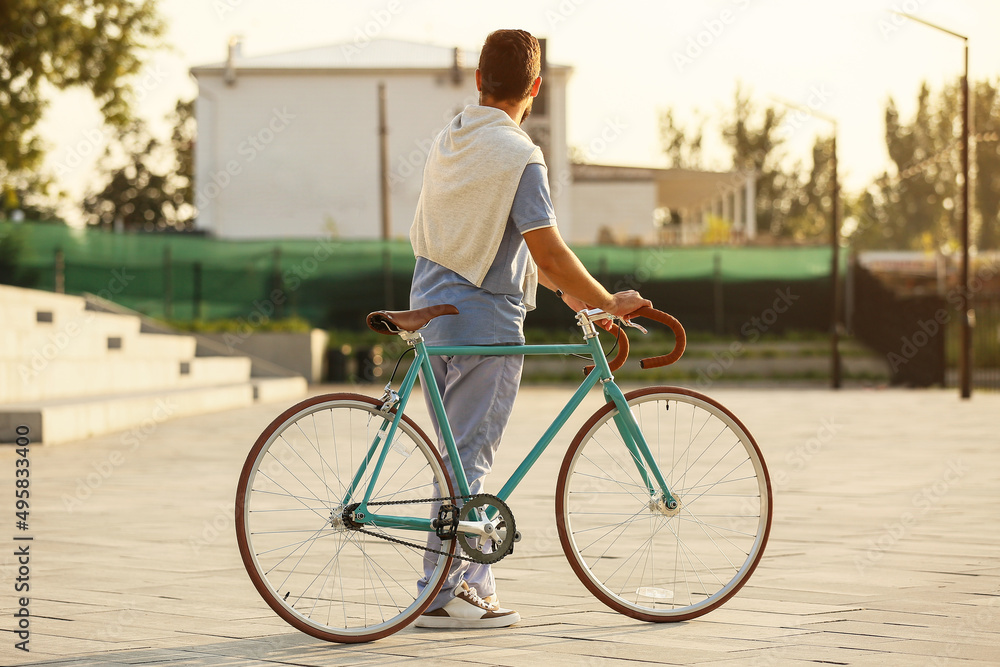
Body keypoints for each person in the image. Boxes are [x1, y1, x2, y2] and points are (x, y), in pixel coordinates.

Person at [409, 28, 650, 629]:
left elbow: (491, 243)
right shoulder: (519, 155)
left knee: (453, 461)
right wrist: (607, 303)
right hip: (485, 325)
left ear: (477, 81)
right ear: (535, 89)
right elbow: (548, 254)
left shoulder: (450, 139)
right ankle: (442, 593)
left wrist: (580, 300)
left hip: (431, 314)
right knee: (467, 459)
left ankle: (467, 582)